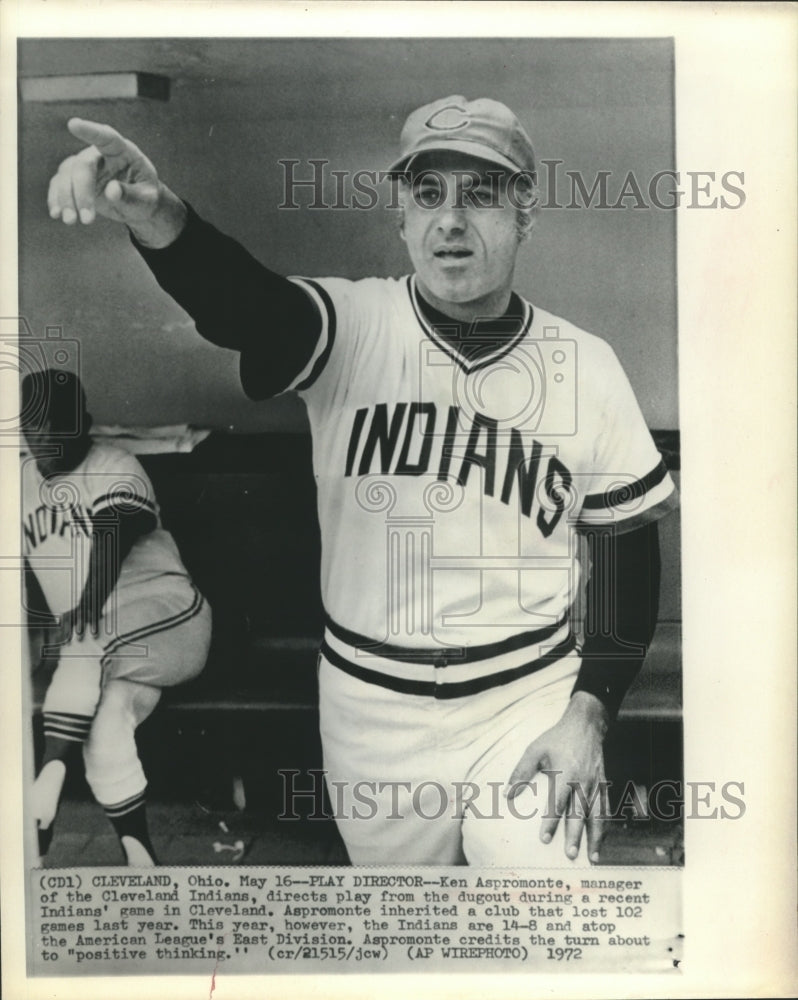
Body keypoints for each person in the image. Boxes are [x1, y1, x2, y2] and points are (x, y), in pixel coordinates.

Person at [46, 95, 677, 865]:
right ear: (400, 219)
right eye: (428, 194)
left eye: (480, 195)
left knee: (537, 924)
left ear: (524, 216)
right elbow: (245, 307)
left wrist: (590, 714)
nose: (451, 220)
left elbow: (626, 555)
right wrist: (159, 216)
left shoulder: (585, 365)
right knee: (410, 950)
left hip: (526, 699)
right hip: (372, 712)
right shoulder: (352, 326)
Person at [21, 368, 211, 865]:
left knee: (88, 637)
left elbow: (113, 533)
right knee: (106, 721)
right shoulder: (16, 482)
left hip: (170, 622)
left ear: (83, 423)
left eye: (57, 423)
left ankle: (50, 778)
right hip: (98, 664)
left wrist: (83, 607)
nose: (44, 435)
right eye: (33, 424)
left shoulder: (115, 465)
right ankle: (140, 855)